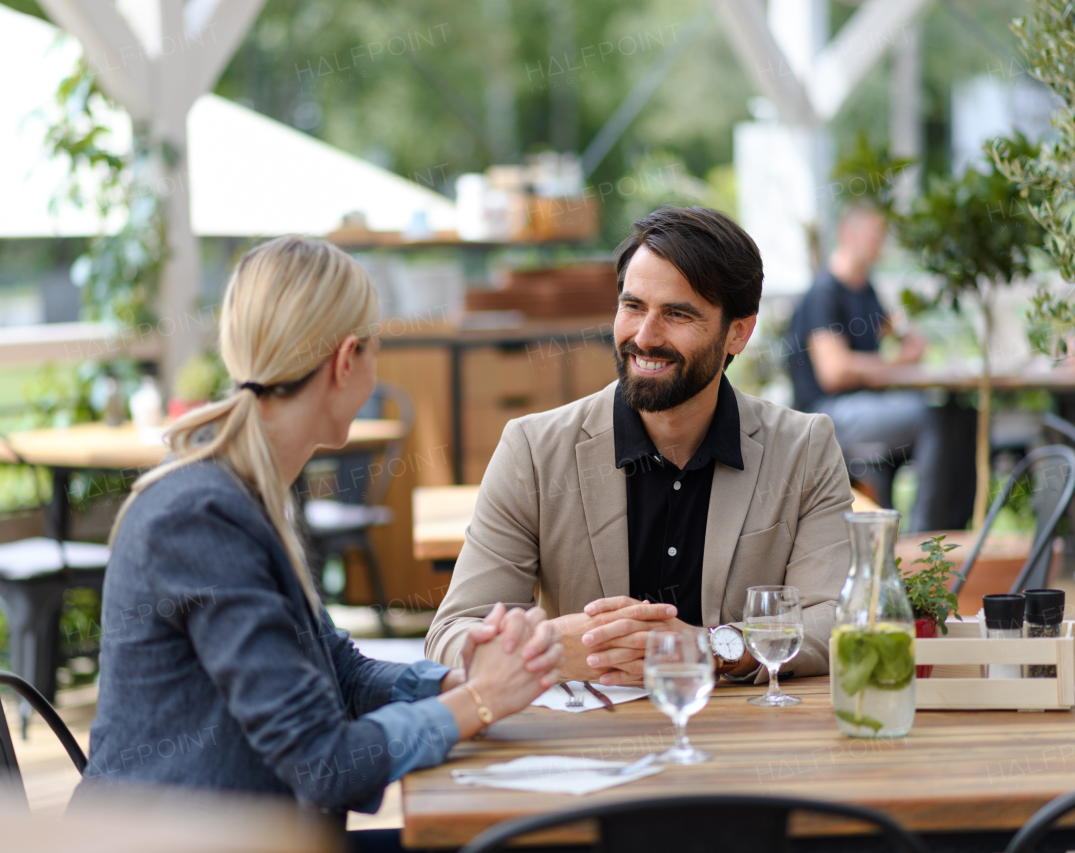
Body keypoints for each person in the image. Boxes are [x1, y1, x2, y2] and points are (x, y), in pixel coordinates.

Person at [72, 237, 562, 827]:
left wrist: (459, 681)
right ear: (346, 359)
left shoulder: (248, 494)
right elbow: (323, 762)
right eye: (375, 348)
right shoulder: (199, 517)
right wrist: (476, 703)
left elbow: (341, 673)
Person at [426, 207, 852, 685]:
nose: (644, 338)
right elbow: (451, 635)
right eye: (633, 307)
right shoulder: (532, 450)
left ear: (739, 332)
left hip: (740, 743)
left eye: (676, 314)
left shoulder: (804, 448)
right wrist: (552, 648)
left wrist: (710, 647)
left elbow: (838, 619)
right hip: (585, 748)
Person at [784, 201, 975, 532]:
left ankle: (957, 533)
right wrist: (896, 362)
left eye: (881, 238)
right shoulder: (824, 292)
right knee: (934, 417)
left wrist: (906, 334)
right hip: (830, 415)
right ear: (847, 233)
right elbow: (835, 372)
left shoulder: (866, 289)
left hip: (869, 406)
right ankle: (925, 538)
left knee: (961, 412)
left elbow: (900, 332)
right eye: (874, 237)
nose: (879, 246)